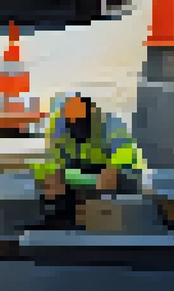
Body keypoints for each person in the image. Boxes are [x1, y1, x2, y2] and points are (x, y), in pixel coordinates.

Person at [30, 93, 147, 228]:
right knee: (52, 186)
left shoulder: (112, 126)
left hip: (114, 176)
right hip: (78, 173)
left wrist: (111, 174)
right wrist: (53, 179)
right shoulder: (58, 127)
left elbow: (123, 164)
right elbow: (54, 162)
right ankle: (62, 228)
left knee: (117, 185)